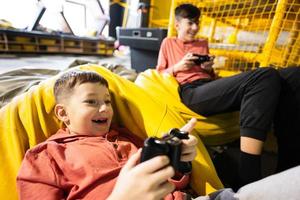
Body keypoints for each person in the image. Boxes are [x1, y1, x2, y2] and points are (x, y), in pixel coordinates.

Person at [16, 70, 198, 200]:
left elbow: (170, 181)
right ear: (63, 114)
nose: (104, 108)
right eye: (91, 102)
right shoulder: (46, 156)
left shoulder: (127, 138)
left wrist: (178, 159)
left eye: (107, 101)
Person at [156, 3, 283, 187]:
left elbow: (212, 77)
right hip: (190, 89)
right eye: (190, 23)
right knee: (265, 75)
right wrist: (179, 67)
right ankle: (249, 174)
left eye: (197, 23)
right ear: (177, 25)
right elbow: (158, 72)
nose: (195, 27)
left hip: (209, 84)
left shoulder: (202, 43)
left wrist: (210, 69)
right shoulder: (168, 43)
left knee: (274, 79)